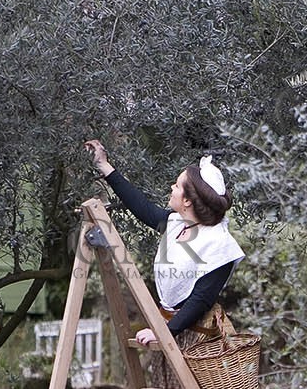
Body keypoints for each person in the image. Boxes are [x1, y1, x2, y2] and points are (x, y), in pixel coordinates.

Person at [83, 137, 244, 352]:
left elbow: (200, 301)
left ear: (187, 201)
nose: (172, 187)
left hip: (197, 341)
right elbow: (142, 207)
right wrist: (104, 165)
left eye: (177, 185)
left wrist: (164, 331)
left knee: (192, 387)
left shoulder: (220, 245)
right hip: (171, 330)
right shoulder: (179, 223)